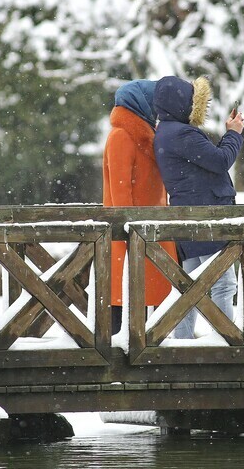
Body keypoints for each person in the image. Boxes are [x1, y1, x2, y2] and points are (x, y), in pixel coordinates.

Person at [153, 76, 244, 339]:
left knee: (189, 285)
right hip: (207, 217)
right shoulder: (182, 133)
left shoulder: (165, 132)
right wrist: (233, 134)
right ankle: (226, 341)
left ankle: (183, 342)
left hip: (189, 216)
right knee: (224, 284)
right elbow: (220, 160)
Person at [102, 80, 179, 335]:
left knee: (161, 301)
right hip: (131, 235)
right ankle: (121, 361)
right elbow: (120, 192)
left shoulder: (148, 134)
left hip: (153, 231)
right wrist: (129, 233)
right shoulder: (121, 136)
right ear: (141, 103)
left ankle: (154, 354)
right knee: (123, 302)